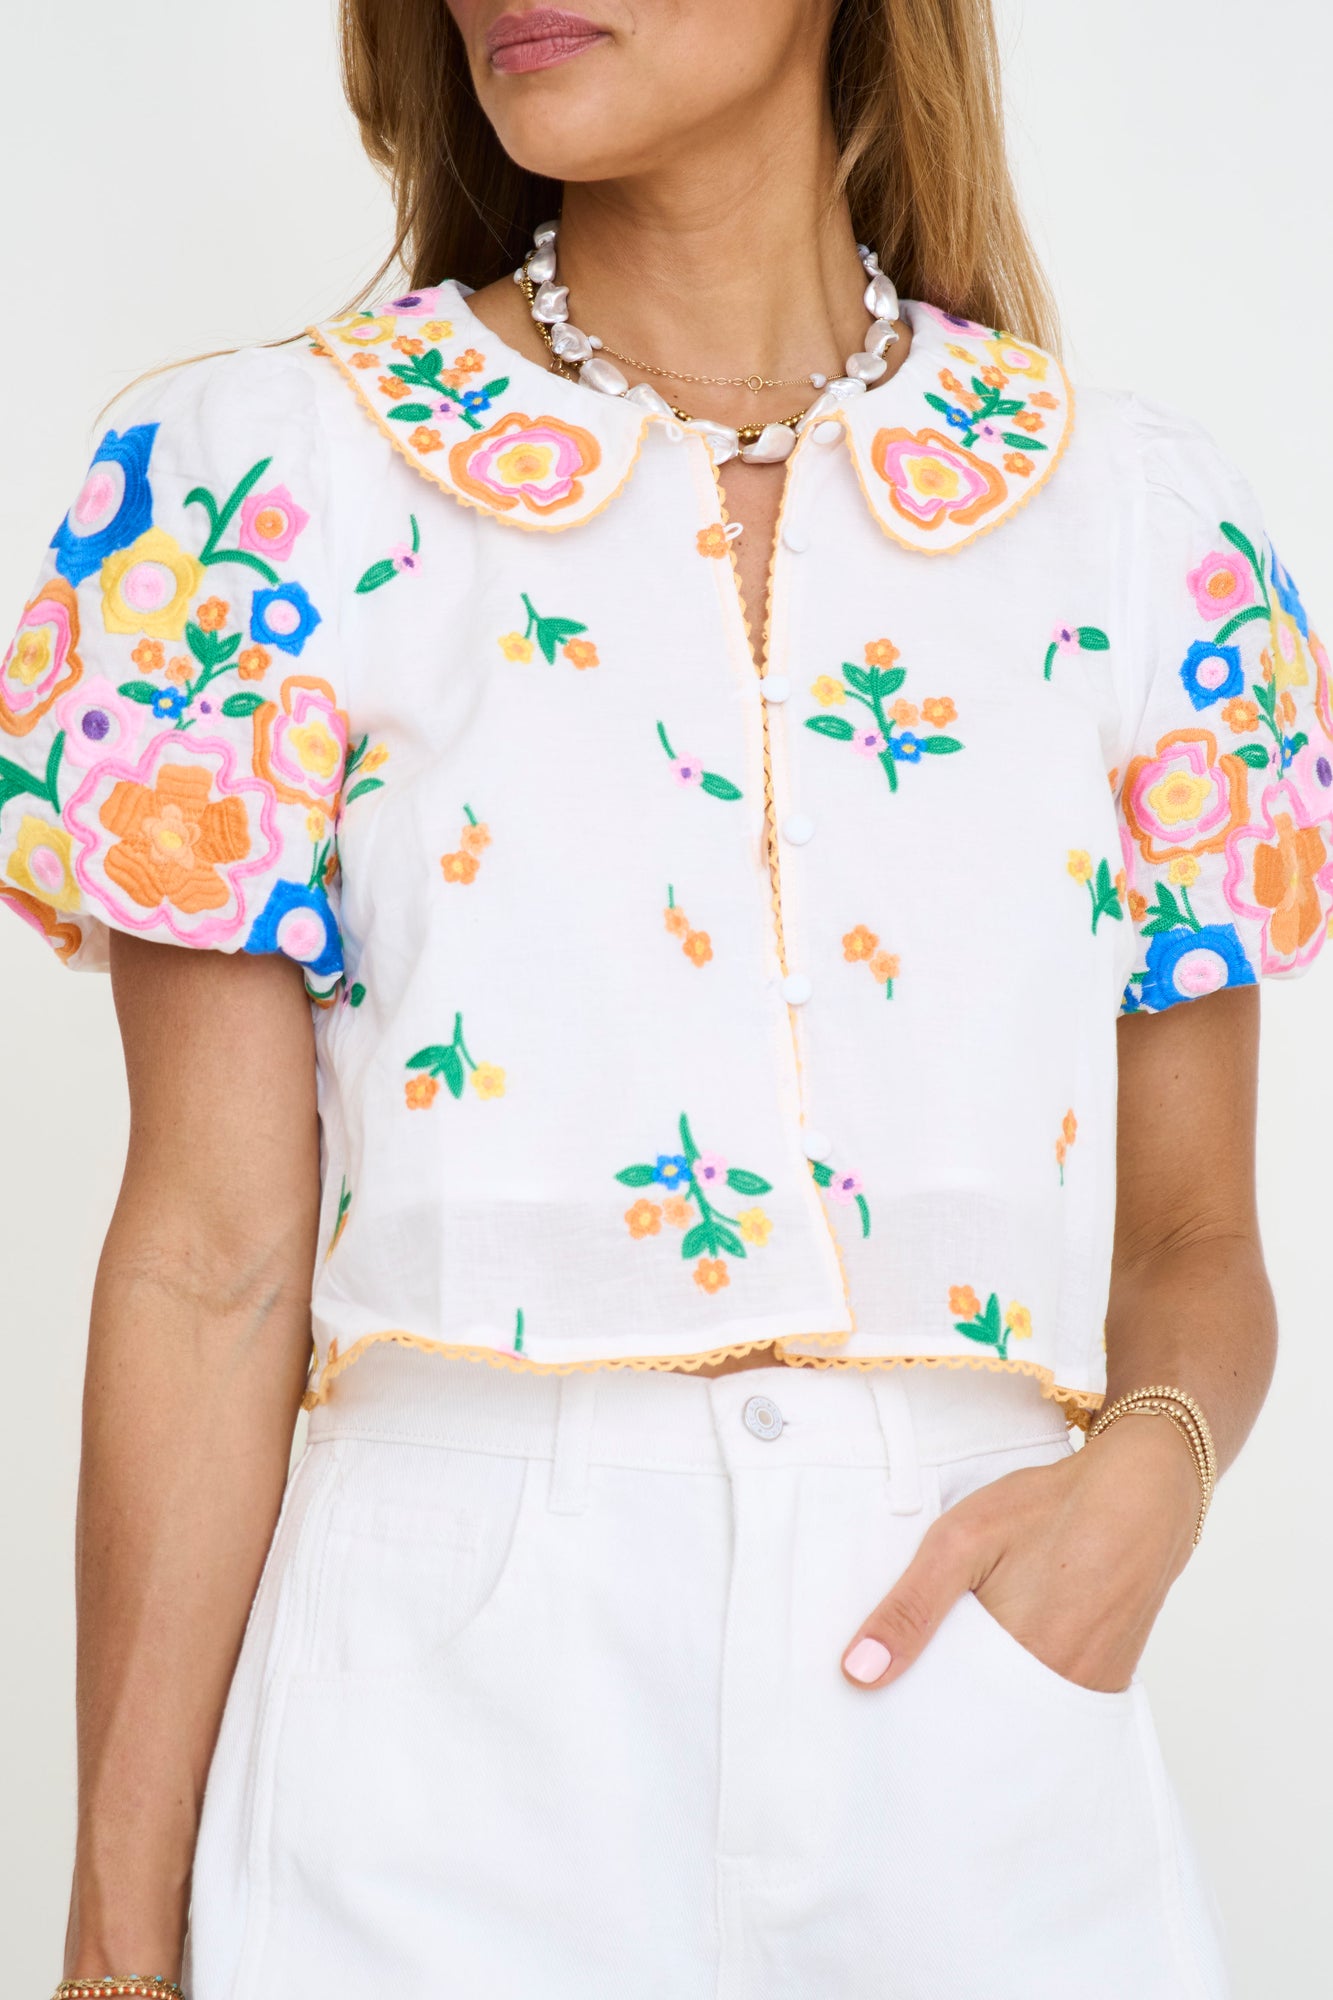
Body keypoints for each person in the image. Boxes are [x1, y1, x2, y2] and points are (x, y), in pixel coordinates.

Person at [8, 2, 1331, 1996]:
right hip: (431, 1723)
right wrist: (117, 1944)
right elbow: (209, 1264)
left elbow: (1194, 1243)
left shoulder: (1138, 528)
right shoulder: (267, 485)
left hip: (970, 1685)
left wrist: (1150, 1470)